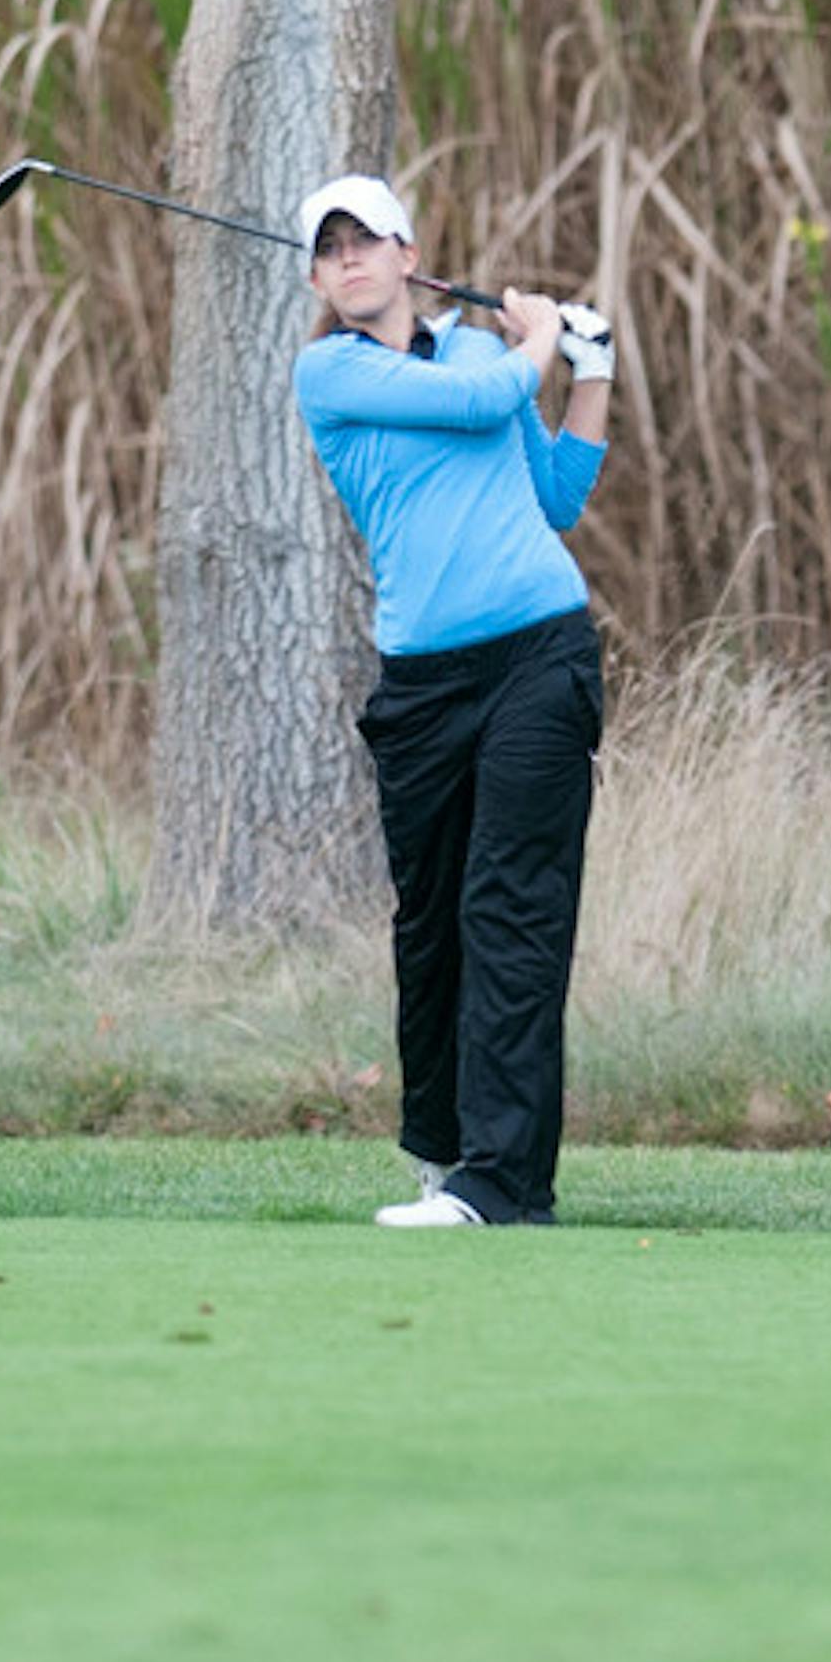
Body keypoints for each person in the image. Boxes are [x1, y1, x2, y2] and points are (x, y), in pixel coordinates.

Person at [291, 173, 614, 1227]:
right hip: (424, 689)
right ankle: (446, 1152)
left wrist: (590, 373)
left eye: (364, 239)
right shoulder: (327, 375)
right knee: (430, 926)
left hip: (536, 659)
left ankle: (500, 1182)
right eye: (328, 247)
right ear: (316, 276)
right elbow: (481, 401)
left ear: (405, 251)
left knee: (508, 910)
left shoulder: (480, 353)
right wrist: (536, 342)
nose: (348, 259)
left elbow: (556, 497)